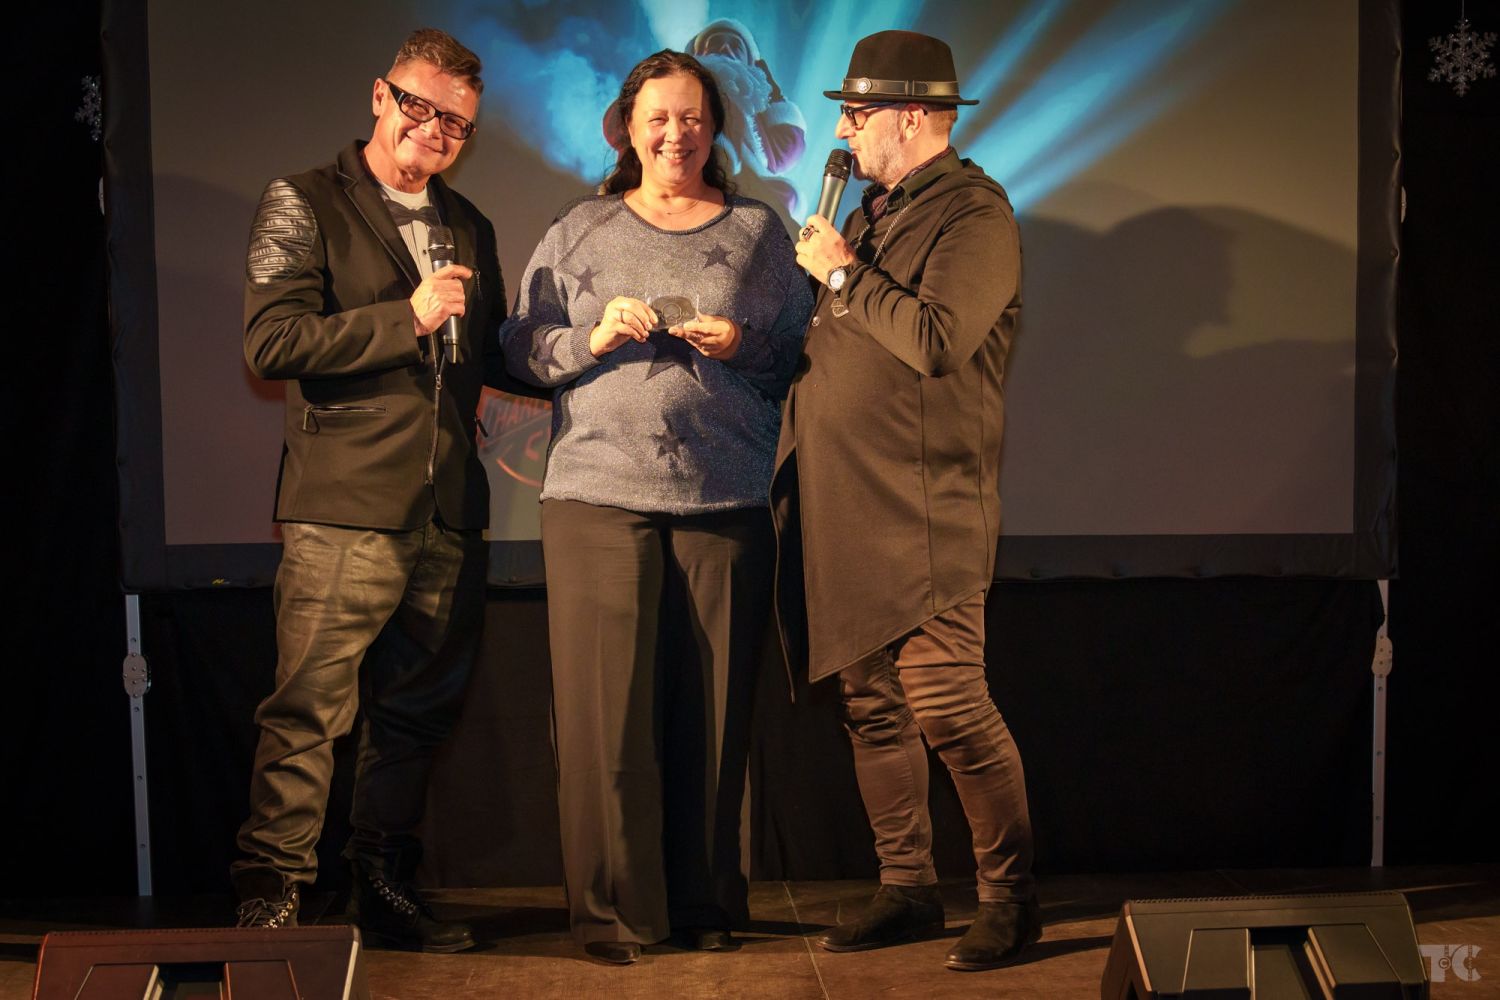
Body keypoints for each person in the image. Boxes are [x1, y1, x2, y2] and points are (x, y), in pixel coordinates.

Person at [502, 50, 812, 966]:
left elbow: (805, 355)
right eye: (659, 118)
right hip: (597, 496)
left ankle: (704, 902)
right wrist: (589, 338)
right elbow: (518, 344)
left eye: (692, 118)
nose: (676, 134)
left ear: (716, 129)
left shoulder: (759, 232)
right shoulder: (580, 228)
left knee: (713, 718)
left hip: (726, 495)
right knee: (606, 719)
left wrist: (742, 341)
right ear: (629, 129)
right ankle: (612, 914)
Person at [233, 28, 510, 953]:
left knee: (414, 716)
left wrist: (585, 347)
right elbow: (271, 343)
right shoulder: (304, 199)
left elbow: (490, 355)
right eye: (421, 107)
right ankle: (273, 893)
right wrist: (406, 319)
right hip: (342, 507)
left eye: (457, 124)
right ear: (381, 97)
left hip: (448, 512)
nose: (435, 131)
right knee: (308, 712)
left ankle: (382, 885)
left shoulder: (470, 223)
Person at [778, 30, 1041, 972]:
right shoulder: (881, 212)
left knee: (949, 702)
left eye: (857, 113)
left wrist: (843, 271)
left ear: (916, 117)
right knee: (872, 706)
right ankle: (908, 889)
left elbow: (936, 339)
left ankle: (1010, 899)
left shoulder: (975, 214)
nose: (842, 130)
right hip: (850, 503)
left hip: (926, 506)